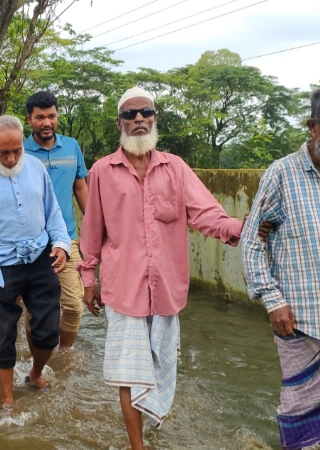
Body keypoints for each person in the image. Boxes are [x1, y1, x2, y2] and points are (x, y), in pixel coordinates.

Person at [78, 87, 246, 450]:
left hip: (167, 290)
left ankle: (150, 428)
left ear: (154, 118)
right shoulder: (102, 171)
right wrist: (88, 280)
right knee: (129, 373)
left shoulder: (176, 168)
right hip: (123, 290)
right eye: (130, 114)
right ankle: (137, 446)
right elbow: (92, 230)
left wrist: (239, 228)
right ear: (119, 123)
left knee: (161, 370)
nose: (138, 119)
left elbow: (206, 214)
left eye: (145, 112)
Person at [0, 114, 70, 408]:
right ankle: (7, 397)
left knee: (49, 331)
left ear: (23, 144)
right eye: (3, 152)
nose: (11, 159)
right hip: (0, 264)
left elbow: (53, 211)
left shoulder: (36, 167)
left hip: (39, 257)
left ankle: (35, 373)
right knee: (3, 335)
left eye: (16, 151)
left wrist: (61, 244)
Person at [242, 89, 320, 450]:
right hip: (301, 320)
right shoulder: (282, 175)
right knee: (300, 415)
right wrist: (272, 299)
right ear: (313, 128)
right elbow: (252, 242)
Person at [23, 91, 88, 354]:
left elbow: (80, 187)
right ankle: (36, 354)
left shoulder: (72, 146)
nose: (46, 122)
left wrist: (94, 228)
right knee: (32, 307)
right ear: (29, 120)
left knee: (73, 304)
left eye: (51, 116)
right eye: (40, 117)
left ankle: (64, 352)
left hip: (67, 237)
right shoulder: (20, 150)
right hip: (31, 241)